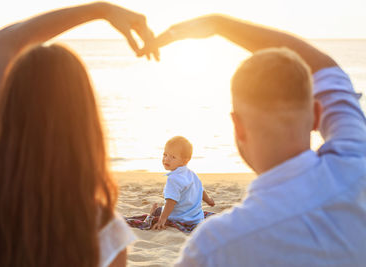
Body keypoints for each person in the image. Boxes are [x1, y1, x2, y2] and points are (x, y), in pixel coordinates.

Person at [150, 15, 366, 266]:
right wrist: (220, 24)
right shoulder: (356, 159)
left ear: (237, 126)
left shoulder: (216, 246)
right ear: (317, 115)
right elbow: (324, 67)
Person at [0, 2, 158, 267]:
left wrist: (101, 10)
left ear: (11, 101)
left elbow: (4, 42)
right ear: (84, 120)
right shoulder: (104, 230)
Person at [152, 136, 215, 230]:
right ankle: (156, 210)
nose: (167, 159)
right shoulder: (192, 174)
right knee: (162, 208)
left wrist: (162, 220)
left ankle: (153, 211)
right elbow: (201, 190)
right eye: (165, 155)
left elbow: (171, 202)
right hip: (195, 218)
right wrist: (209, 201)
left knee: (158, 211)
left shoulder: (173, 179)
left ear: (185, 160)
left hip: (179, 218)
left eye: (173, 157)